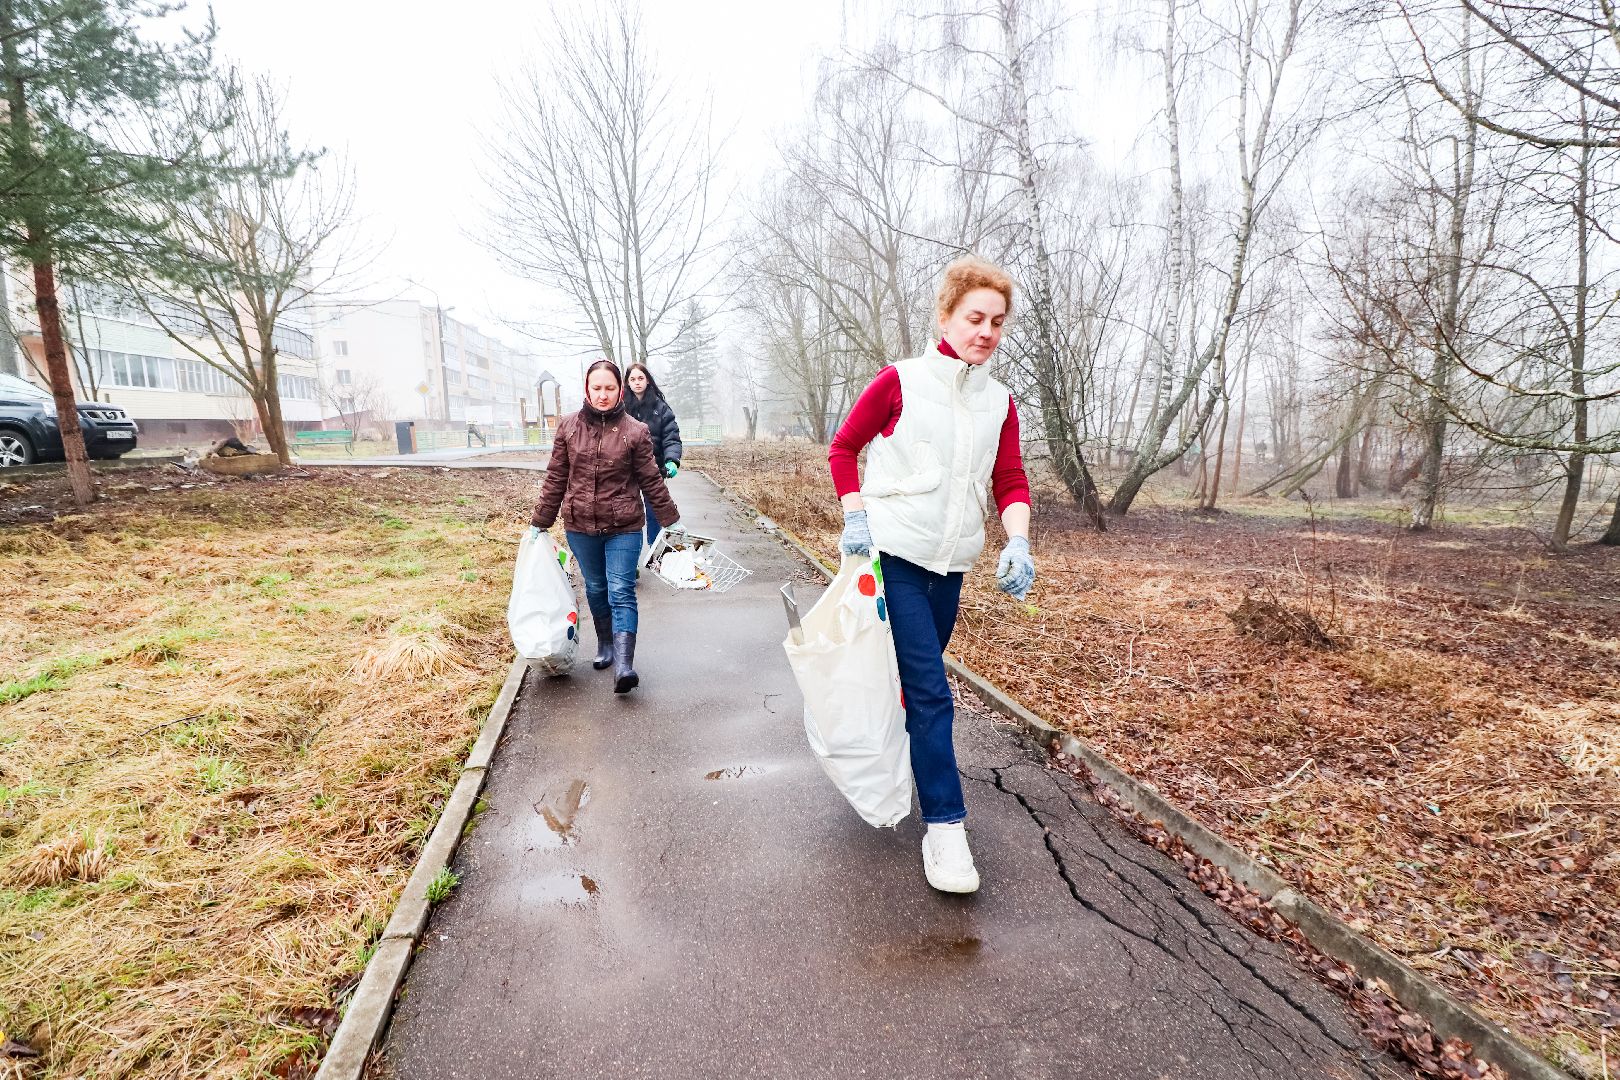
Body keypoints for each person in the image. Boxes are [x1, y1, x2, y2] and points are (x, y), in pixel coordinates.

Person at [827, 256, 1036, 895]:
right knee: (931, 691)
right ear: (945, 316)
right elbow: (842, 448)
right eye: (975, 318)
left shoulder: (1000, 402)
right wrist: (855, 517)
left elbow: (1008, 479)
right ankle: (945, 830)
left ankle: (882, 751)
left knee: (910, 687)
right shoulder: (899, 381)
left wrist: (1018, 541)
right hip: (893, 554)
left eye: (997, 322)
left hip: (952, 565)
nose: (987, 332)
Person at [531, 359, 683, 694]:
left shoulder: (635, 431)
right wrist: (540, 521)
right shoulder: (569, 427)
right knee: (597, 589)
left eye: (610, 388)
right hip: (580, 525)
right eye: (596, 388)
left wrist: (672, 522)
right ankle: (605, 645)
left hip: (624, 526)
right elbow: (556, 478)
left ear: (620, 390)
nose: (603, 395)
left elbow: (651, 481)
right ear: (587, 389)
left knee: (621, 590)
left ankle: (625, 665)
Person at [624, 362, 684, 549]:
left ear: (648, 380)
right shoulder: (621, 407)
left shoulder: (661, 408)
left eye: (640, 378)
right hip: (626, 471)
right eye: (632, 379)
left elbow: (671, 437)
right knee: (628, 514)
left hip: (654, 470)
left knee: (655, 511)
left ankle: (655, 551)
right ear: (627, 382)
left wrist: (672, 460)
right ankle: (628, 558)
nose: (637, 383)